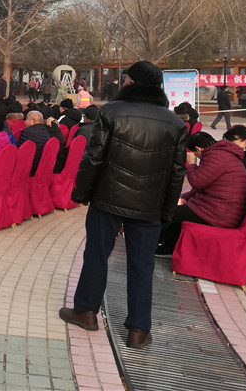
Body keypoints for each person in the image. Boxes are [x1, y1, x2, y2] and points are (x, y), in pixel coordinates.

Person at [59, 61, 187, 350]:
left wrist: (81, 193)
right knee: (142, 265)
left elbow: (94, 157)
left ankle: (86, 311)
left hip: (108, 199)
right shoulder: (175, 123)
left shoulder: (111, 111)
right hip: (150, 205)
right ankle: (139, 330)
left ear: (131, 82)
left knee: (96, 255)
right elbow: (177, 173)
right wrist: (167, 210)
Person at [155, 131, 246, 256]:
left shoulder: (216, 156)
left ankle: (164, 246)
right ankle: (167, 244)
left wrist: (192, 164)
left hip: (219, 214)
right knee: (176, 210)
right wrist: (185, 197)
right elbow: (204, 185)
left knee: (170, 212)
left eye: (195, 154)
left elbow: (197, 182)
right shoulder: (221, 154)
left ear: (198, 149)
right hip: (220, 209)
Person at [18, 110, 65, 175]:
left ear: (32, 121)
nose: (25, 122)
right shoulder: (46, 131)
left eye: (26, 119)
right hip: (43, 168)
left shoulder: (26, 133)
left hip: (30, 170)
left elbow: (21, 154)